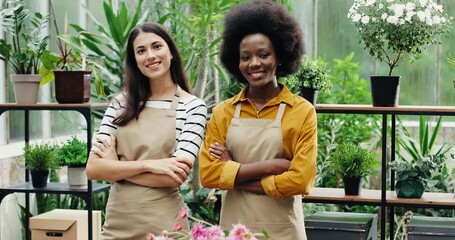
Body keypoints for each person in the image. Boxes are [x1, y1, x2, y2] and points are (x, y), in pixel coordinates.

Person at [199, 1, 317, 239]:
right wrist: (271, 167)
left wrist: (233, 175)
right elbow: (208, 175)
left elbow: (301, 180)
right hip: (234, 229)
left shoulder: (302, 111)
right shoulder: (223, 112)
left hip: (283, 230)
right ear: (236, 61)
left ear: (280, 56)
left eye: (263, 54)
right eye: (245, 57)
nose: (254, 63)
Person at [86, 22, 207, 239]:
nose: (150, 55)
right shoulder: (120, 104)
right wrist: (151, 165)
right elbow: (94, 169)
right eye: (141, 51)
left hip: (166, 226)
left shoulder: (192, 107)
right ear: (135, 62)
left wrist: (116, 168)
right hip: (117, 224)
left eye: (156, 46)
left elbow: (174, 177)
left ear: (170, 52)